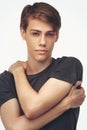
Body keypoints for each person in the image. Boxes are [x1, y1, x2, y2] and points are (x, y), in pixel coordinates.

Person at [0, 2, 85, 130]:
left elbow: (32, 108)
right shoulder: (5, 80)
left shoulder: (69, 66)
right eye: (35, 34)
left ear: (56, 36)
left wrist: (17, 71)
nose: (42, 42)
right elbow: (15, 128)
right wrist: (66, 104)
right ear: (23, 32)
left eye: (49, 34)